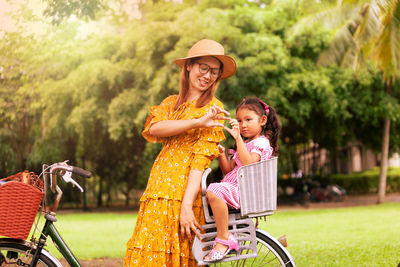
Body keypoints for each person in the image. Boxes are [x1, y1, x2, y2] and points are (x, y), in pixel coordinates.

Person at [124, 39, 237, 267]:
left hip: (185, 191)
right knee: (149, 252)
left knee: (180, 255)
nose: (207, 75)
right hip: (158, 189)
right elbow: (154, 128)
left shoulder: (213, 109)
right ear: (189, 66)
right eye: (203, 67)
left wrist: (186, 205)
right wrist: (196, 122)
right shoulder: (170, 104)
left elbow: (200, 163)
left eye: (214, 71)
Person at [203, 97, 281, 262]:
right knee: (208, 193)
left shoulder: (261, 142)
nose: (243, 124)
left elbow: (248, 164)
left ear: (262, 120)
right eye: (239, 120)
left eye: (248, 120)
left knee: (214, 190)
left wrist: (238, 140)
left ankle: (224, 239)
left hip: (245, 192)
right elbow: (228, 170)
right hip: (234, 188)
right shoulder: (245, 144)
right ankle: (219, 236)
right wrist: (222, 154)